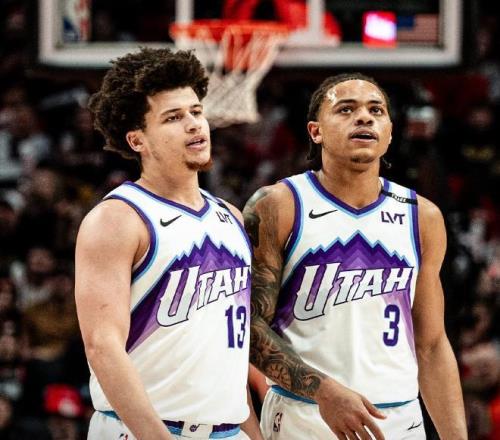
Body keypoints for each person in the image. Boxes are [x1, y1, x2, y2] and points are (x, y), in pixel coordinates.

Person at [243, 73, 467, 439]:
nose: (363, 117)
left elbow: (431, 344)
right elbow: (249, 327)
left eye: (376, 110)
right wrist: (323, 391)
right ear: (315, 131)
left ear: (390, 133)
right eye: (345, 109)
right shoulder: (279, 205)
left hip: (399, 419)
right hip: (305, 414)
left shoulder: (422, 217)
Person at [75, 47, 262, 440]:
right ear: (138, 140)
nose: (194, 125)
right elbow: (102, 347)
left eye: (196, 111)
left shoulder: (230, 216)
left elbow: (228, 354)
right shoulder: (117, 219)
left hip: (228, 431)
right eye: (173, 117)